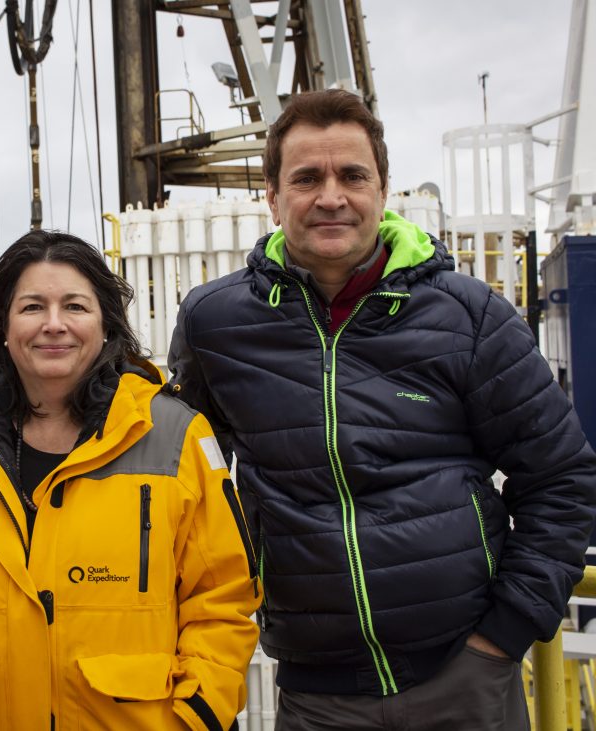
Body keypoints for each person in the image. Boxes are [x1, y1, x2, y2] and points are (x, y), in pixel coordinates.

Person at [169, 89, 596, 730]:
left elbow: (561, 479)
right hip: (316, 692)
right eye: (307, 178)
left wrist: (503, 636)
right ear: (273, 196)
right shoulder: (216, 324)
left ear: (382, 187)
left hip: (464, 677)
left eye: (352, 176)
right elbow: (178, 479)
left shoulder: (469, 316)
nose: (331, 196)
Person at [0, 230, 259, 730]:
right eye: (32, 307)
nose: (54, 325)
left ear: (105, 326)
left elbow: (222, 597)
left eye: (75, 306)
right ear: (4, 327)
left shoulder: (176, 437)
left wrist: (192, 717)